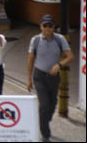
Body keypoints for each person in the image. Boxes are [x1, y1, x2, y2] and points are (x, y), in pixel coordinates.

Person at [26, 14, 73, 142]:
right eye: (45, 26)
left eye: (50, 26)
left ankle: (44, 120)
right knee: (44, 105)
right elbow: (30, 60)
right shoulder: (35, 40)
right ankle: (45, 133)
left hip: (53, 76)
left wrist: (59, 65)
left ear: (54, 27)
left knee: (53, 104)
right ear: (41, 27)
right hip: (39, 76)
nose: (47, 29)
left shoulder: (59, 39)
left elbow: (70, 56)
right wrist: (29, 79)